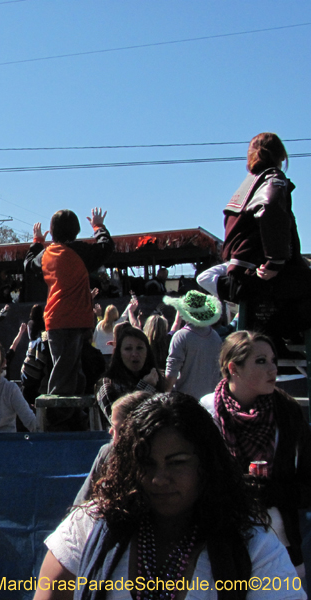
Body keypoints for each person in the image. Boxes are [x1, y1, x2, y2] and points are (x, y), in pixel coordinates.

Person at [34, 392, 302, 600]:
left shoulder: (254, 547)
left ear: (206, 464)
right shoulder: (89, 525)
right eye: (147, 463)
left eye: (177, 462)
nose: (159, 479)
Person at [201, 330, 311, 572]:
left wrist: (277, 493)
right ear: (233, 368)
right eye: (261, 361)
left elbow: (307, 482)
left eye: (273, 360)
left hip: (282, 546)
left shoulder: (288, 411)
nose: (273, 369)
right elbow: (196, 481)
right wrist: (236, 489)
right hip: (225, 545)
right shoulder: (206, 412)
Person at [212, 133, 311, 314]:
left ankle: (274, 337)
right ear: (281, 156)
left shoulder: (248, 185)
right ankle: (276, 336)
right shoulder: (273, 178)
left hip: (240, 273)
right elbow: (270, 206)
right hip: (258, 275)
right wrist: (275, 262)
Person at [24, 208, 114, 397]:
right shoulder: (81, 252)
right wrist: (98, 227)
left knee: (69, 373)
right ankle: (59, 420)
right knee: (67, 376)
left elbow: (29, 264)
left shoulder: (47, 255)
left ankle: (71, 417)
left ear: (53, 231)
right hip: (80, 320)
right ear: (76, 229)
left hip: (57, 321)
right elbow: (106, 246)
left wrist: (37, 242)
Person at [72, 390, 151, 505]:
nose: (110, 431)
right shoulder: (107, 453)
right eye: (110, 425)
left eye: (115, 427)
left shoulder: (154, 462)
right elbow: (80, 504)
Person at [95, 326, 167, 425]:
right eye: (128, 349)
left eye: (139, 348)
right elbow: (118, 422)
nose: (134, 354)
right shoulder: (107, 384)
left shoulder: (156, 378)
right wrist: (145, 388)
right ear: (119, 353)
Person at [163, 290, 223, 400]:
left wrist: (164, 397)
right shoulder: (215, 337)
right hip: (210, 401)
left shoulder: (181, 336)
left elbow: (172, 372)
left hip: (184, 401)